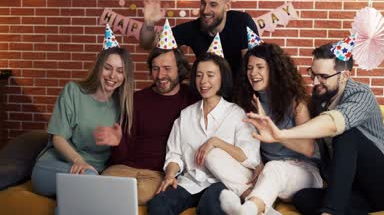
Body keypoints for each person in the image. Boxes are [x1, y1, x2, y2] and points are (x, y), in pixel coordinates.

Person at [245, 40, 384, 214]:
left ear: (345, 75)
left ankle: (331, 212)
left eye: (323, 76)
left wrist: (281, 134)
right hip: (355, 191)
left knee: (346, 134)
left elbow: (332, 124)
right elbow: (313, 149)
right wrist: (272, 144)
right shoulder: (319, 100)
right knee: (303, 198)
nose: (315, 82)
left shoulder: (361, 95)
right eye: (313, 74)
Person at [146, 53, 260, 215]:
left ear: (222, 78)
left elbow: (250, 158)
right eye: (199, 75)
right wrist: (170, 175)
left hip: (222, 183)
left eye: (210, 75)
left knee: (210, 207)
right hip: (191, 181)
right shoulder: (186, 115)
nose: (203, 81)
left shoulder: (237, 114)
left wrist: (216, 142)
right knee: (159, 204)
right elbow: (174, 155)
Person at [220, 43, 323, 215]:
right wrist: (258, 162)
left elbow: (308, 148)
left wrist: (276, 134)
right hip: (266, 171)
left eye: (260, 67)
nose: (253, 73)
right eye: (249, 68)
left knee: (274, 168)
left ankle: (248, 210)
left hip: (305, 172)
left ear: (274, 70)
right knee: (216, 155)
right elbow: (247, 143)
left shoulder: (296, 103)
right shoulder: (248, 103)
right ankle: (262, 210)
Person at [31, 25, 134, 197]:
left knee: (91, 185)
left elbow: (122, 156)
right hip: (56, 164)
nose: (112, 76)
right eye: (107, 68)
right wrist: (79, 161)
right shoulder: (73, 91)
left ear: (125, 77)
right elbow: (58, 137)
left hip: (94, 172)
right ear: (99, 67)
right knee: (89, 182)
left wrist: (118, 143)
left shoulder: (123, 105)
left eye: (120, 71)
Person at [94, 46, 198, 204]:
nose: (160, 75)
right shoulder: (137, 100)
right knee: (95, 189)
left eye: (167, 68)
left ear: (180, 70)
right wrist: (117, 143)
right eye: (155, 69)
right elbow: (121, 157)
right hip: (124, 169)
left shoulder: (192, 99)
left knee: (133, 195)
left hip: (158, 174)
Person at [140, 0, 258, 80]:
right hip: (208, 91)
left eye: (213, 5)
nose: (205, 10)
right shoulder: (193, 28)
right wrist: (149, 22)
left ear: (227, 6)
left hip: (240, 93)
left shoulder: (242, 22)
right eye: (203, 3)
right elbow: (149, 44)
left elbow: (253, 66)